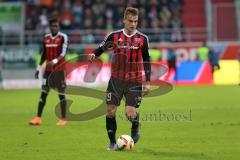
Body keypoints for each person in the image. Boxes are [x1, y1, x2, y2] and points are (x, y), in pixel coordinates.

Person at [89, 7, 151, 151]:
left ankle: (136, 124)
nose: (133, 24)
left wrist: (147, 82)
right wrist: (94, 54)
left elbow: (147, 60)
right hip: (116, 80)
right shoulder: (114, 36)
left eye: (135, 21)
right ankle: (112, 142)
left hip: (134, 81)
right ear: (124, 20)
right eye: (130, 21)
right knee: (110, 111)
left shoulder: (143, 39)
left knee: (129, 113)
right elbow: (102, 47)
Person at [29, 17, 68, 126]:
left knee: (61, 94)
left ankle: (64, 118)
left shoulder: (63, 37)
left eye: (56, 26)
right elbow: (44, 55)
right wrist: (38, 68)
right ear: (50, 27)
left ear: (58, 26)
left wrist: (55, 61)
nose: (55, 27)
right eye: (53, 26)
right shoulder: (46, 38)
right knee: (44, 93)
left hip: (59, 70)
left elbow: (64, 53)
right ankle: (37, 118)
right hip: (48, 71)